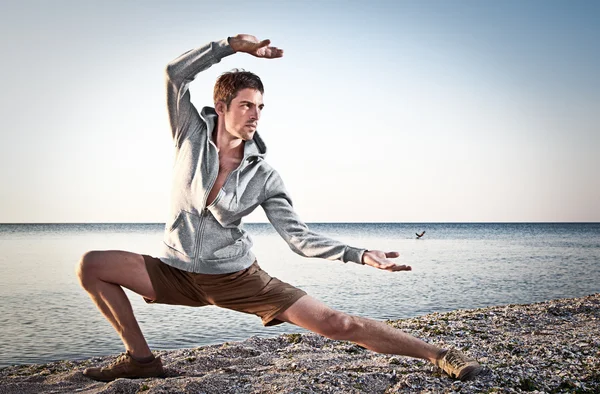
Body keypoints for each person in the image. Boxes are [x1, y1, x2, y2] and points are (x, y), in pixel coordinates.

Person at [76, 34, 482, 383]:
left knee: (337, 324)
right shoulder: (189, 135)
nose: (255, 115)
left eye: (260, 107)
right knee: (92, 264)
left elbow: (299, 238)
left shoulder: (265, 175)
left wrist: (358, 255)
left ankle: (439, 355)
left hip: (236, 278)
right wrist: (231, 46)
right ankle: (142, 361)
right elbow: (174, 74)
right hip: (174, 272)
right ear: (222, 107)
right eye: (246, 105)